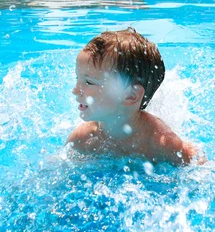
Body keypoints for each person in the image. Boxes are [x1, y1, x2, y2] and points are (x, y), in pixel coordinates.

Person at [66, 27, 204, 166]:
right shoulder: (82, 138)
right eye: (77, 78)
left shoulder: (160, 141)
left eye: (89, 82)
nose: (75, 90)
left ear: (131, 95)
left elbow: (197, 162)